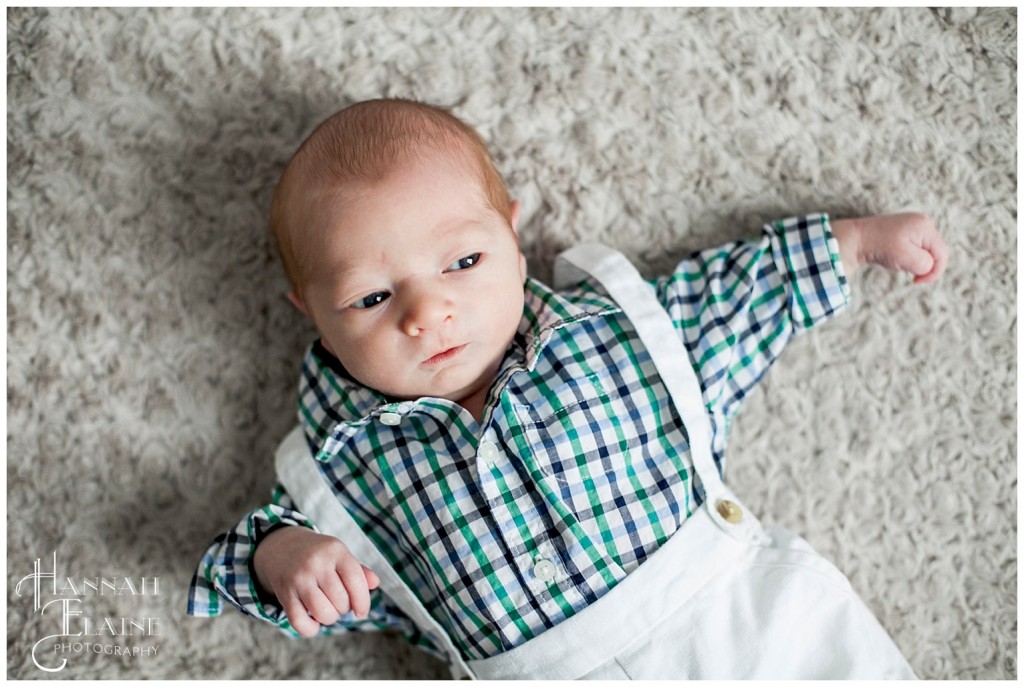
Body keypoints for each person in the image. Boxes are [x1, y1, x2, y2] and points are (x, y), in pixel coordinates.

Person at [187, 98, 948, 679]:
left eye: (462, 262)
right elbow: (262, 570)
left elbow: (730, 303)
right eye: (373, 299)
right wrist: (280, 557)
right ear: (313, 316)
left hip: (748, 631)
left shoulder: (610, 335)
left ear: (513, 244)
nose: (429, 313)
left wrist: (850, 244)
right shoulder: (341, 471)